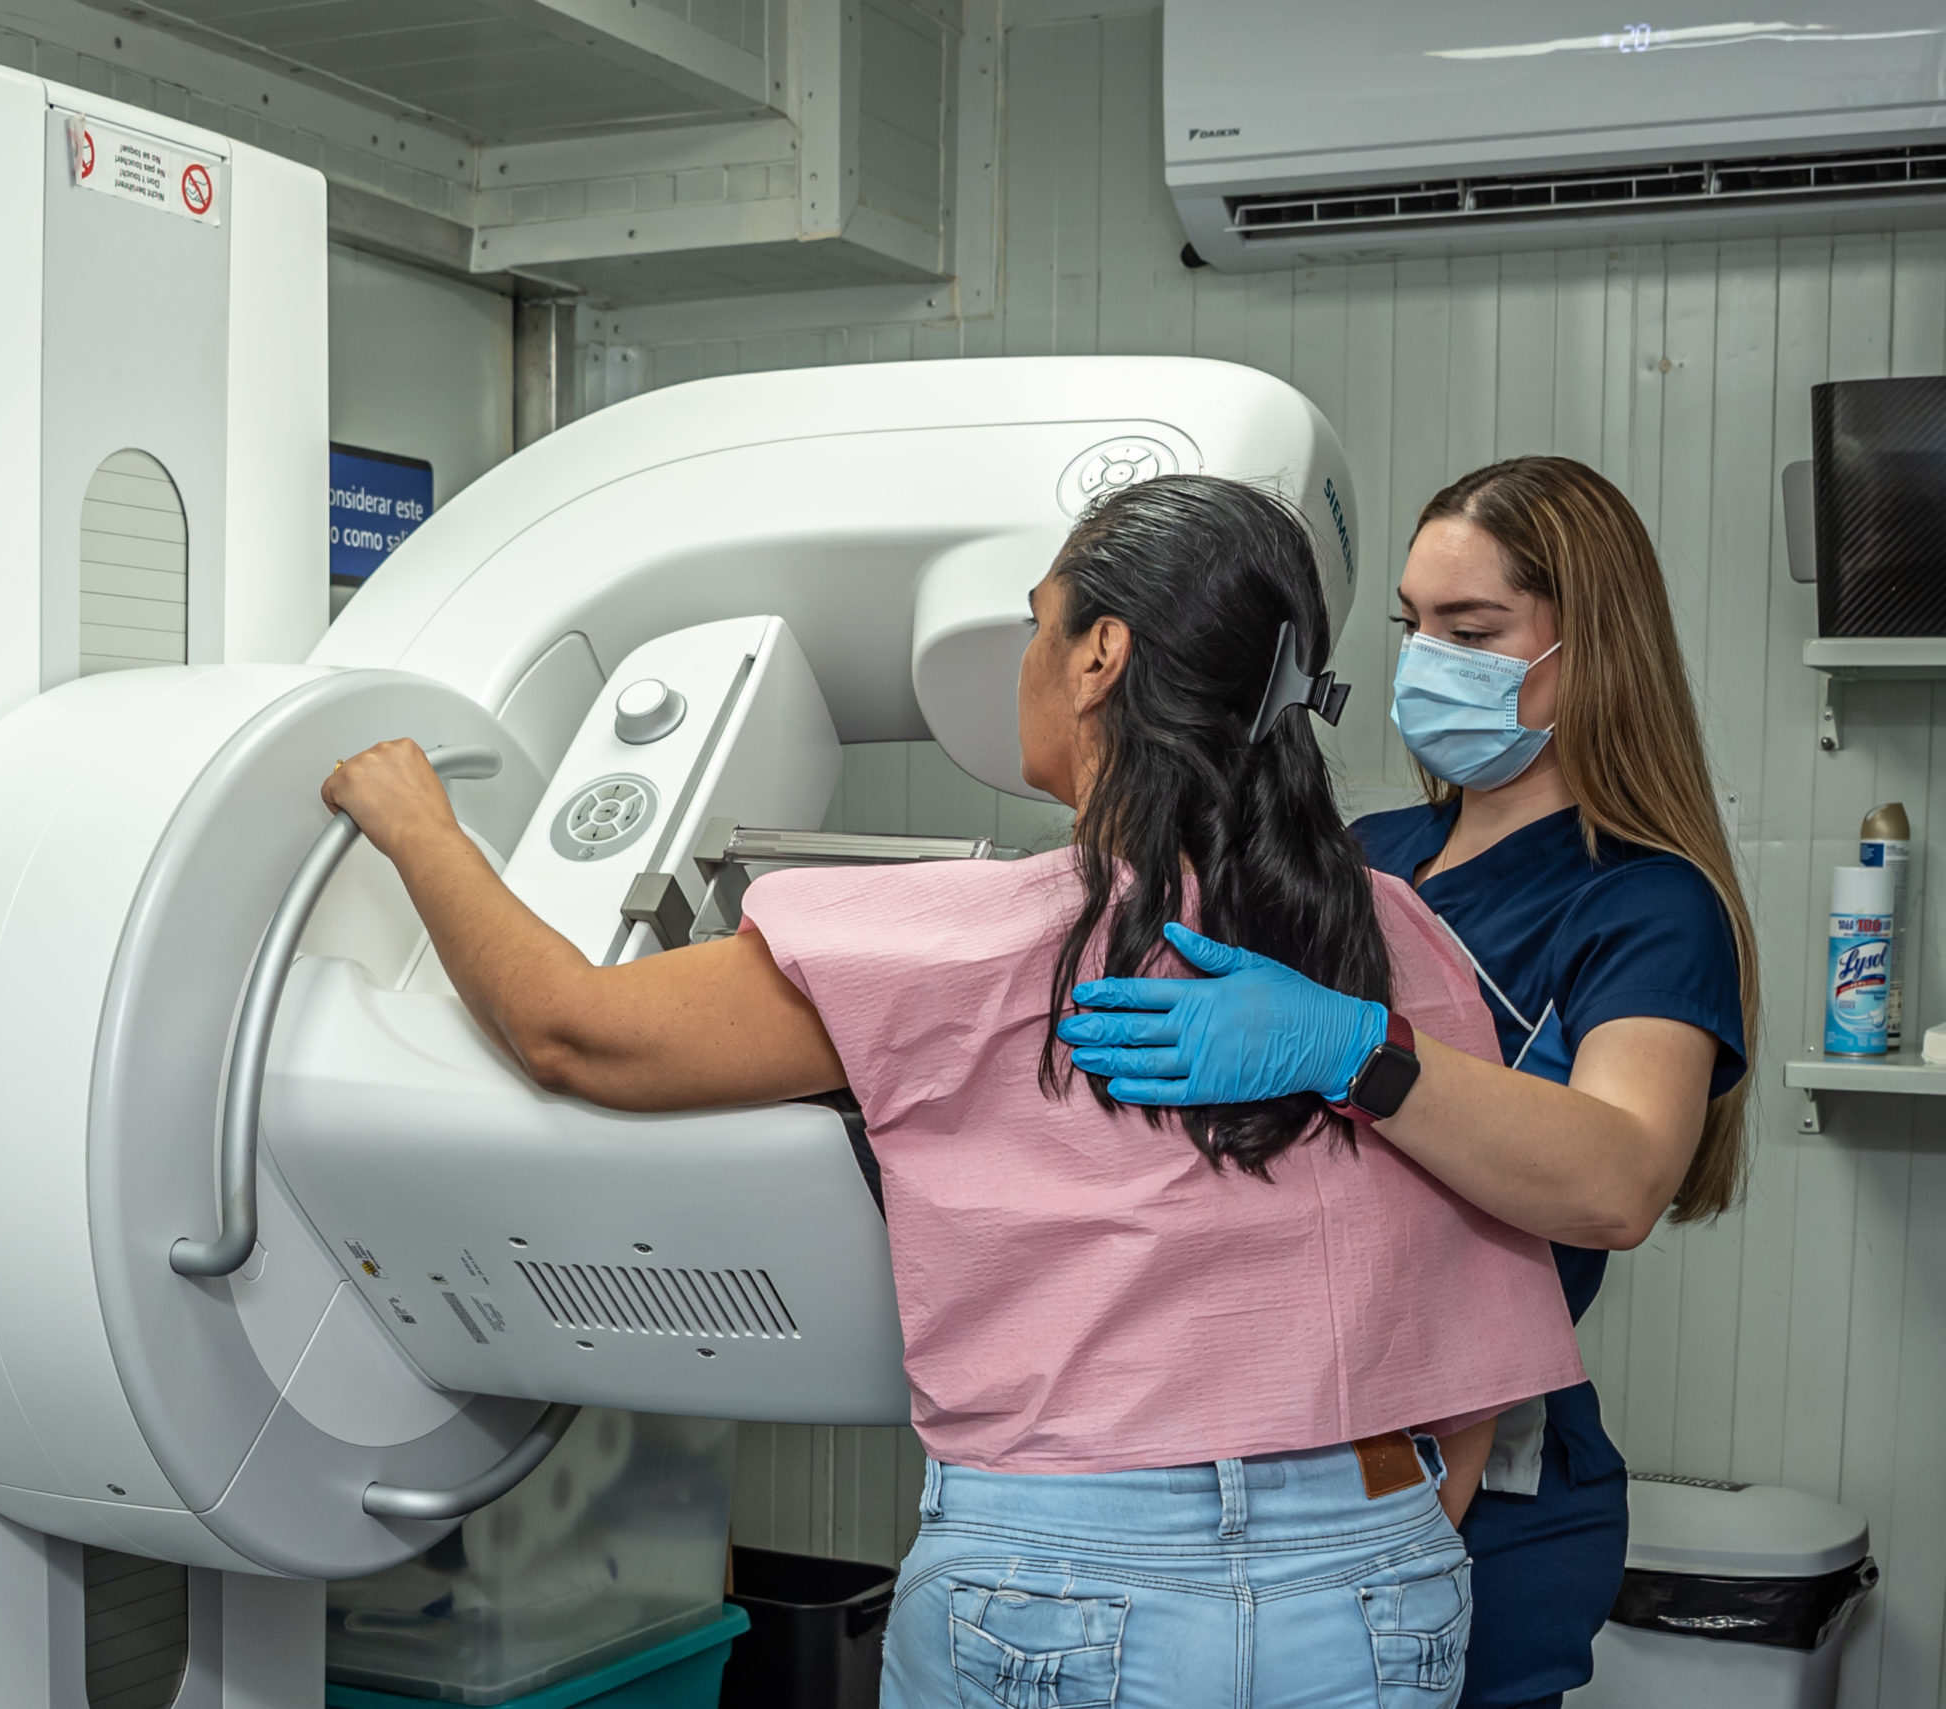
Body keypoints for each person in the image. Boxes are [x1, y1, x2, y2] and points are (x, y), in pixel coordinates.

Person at [322, 474, 1586, 1707]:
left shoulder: (968, 941)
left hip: (1063, 1580)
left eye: (1039, 624)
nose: (1025, 659)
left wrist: (418, 823)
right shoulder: (1392, 936)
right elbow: (1477, 1301)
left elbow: (573, 1033)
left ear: (1100, 658)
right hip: (1375, 1574)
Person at [1062, 456, 1754, 1709]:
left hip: (1487, 1497)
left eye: (1471, 631)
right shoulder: (1370, 856)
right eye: (1412, 625)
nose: (1428, 659)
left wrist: (1357, 1052)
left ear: (1590, 649)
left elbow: (1615, 1180)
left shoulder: (1645, 903)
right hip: (1284, 1451)